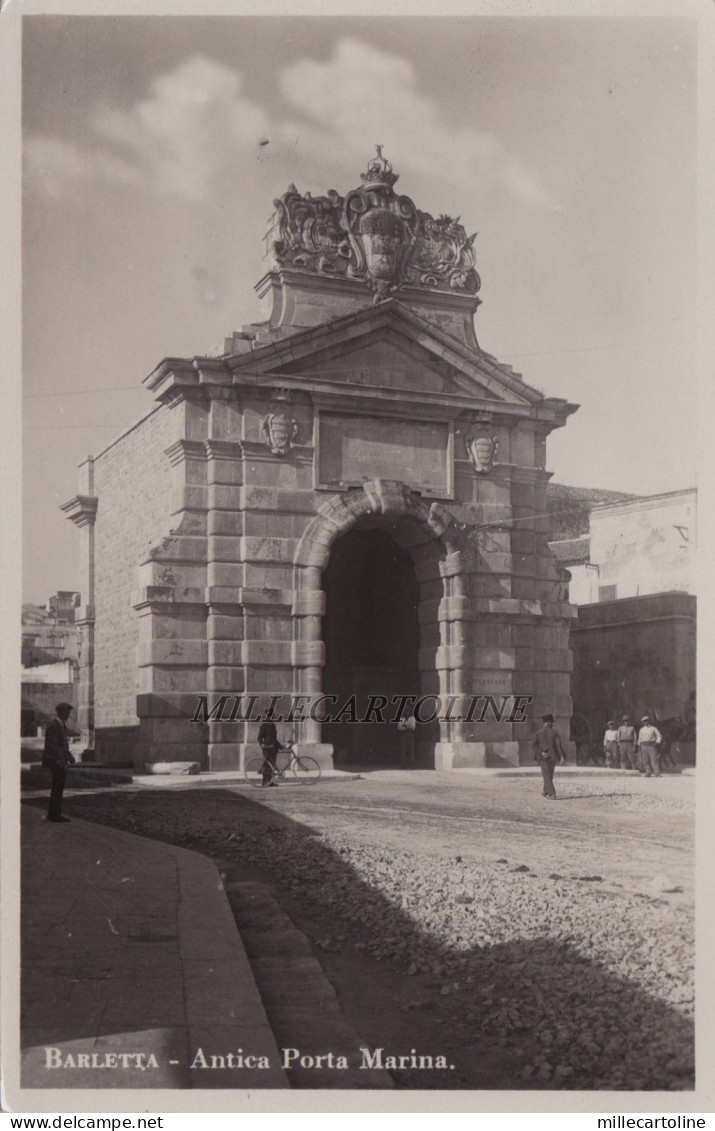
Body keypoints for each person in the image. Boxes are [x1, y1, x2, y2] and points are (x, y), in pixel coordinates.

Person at [42, 702, 76, 822]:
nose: (68, 715)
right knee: (57, 787)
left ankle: (55, 813)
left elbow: (62, 746)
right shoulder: (54, 725)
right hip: (56, 761)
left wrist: (69, 757)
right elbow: (54, 746)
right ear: (60, 712)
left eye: (68, 712)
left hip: (59, 760)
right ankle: (54, 815)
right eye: (66, 712)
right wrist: (62, 761)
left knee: (58, 787)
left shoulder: (61, 725)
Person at [532, 714, 567, 799]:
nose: (553, 724)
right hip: (553, 756)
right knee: (549, 775)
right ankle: (546, 791)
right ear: (548, 722)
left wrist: (541, 752)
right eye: (552, 722)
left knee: (547, 775)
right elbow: (558, 745)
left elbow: (534, 745)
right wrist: (562, 756)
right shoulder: (555, 733)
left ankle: (552, 793)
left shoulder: (537, 733)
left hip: (543, 758)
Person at [257, 719, 281, 787]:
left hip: (273, 748)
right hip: (267, 748)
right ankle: (264, 782)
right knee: (266, 765)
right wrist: (262, 744)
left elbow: (274, 739)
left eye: (272, 715)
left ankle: (270, 781)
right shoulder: (264, 725)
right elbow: (259, 737)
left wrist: (281, 746)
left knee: (272, 765)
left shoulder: (273, 725)